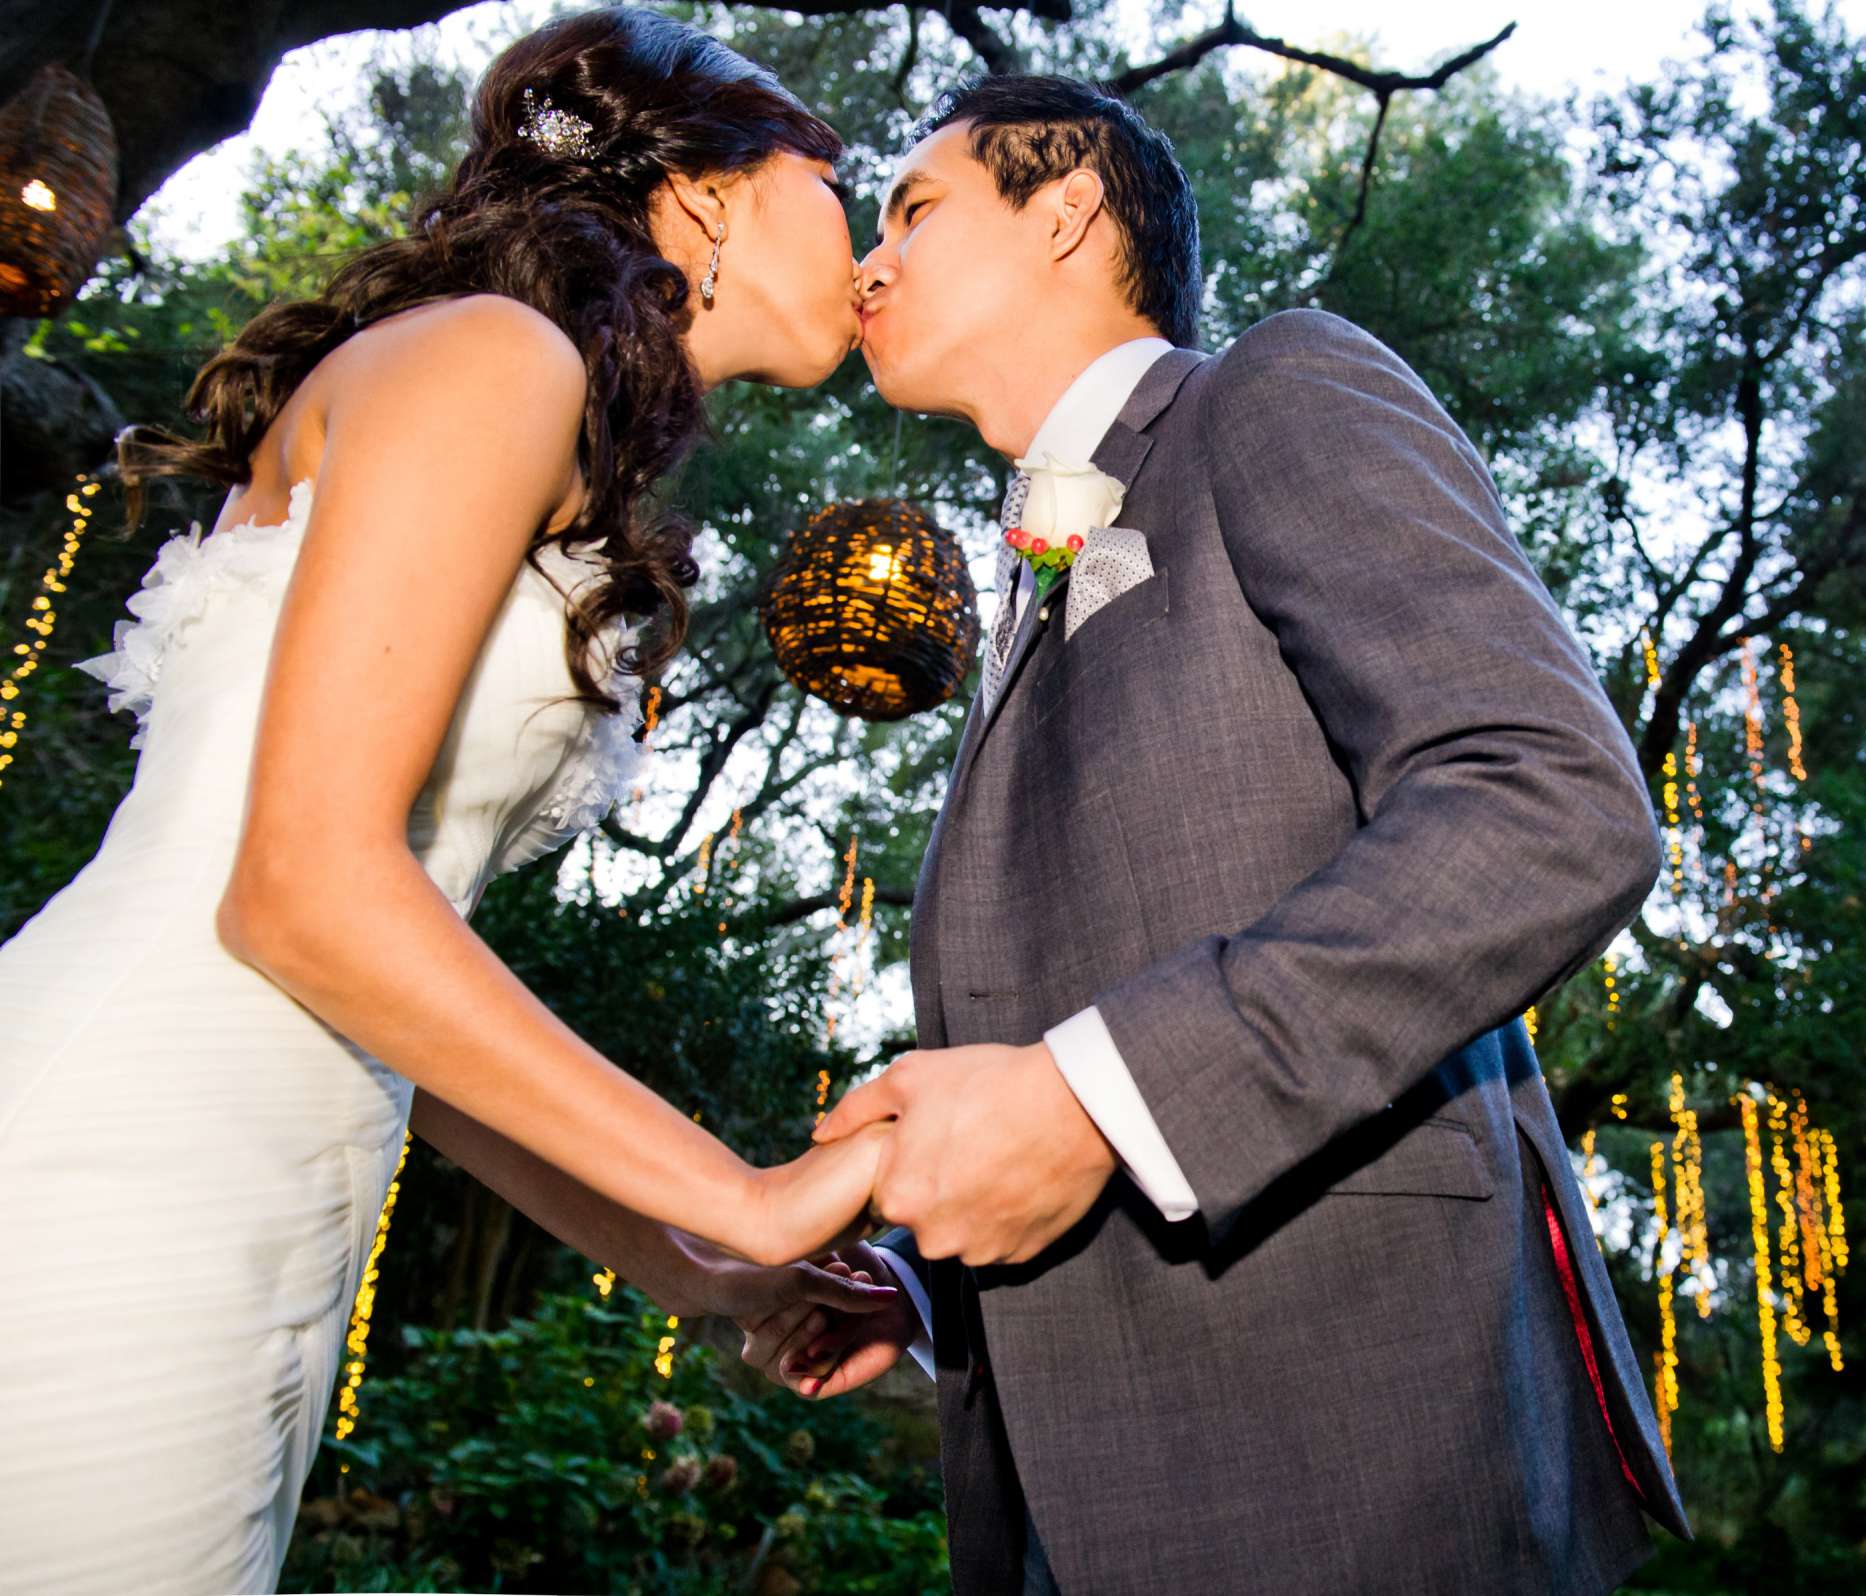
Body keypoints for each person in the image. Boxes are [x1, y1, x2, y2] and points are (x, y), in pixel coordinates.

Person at [740, 74, 1696, 1594]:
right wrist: (926, 1281)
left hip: (1348, 1444)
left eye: (914, 208)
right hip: (1078, 1488)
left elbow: (1545, 798)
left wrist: (1088, 1106)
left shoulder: (1273, 388)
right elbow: (1120, 970)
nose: (869, 259)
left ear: (1067, 211)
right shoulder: (1038, 572)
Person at [0, 10, 893, 1591]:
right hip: (119, 1182)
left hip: (272, 1211)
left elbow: (396, 991)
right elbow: (299, 895)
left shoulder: (546, 417)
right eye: (843, 182)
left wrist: (701, 1269)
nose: (872, 236)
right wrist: (751, 1194)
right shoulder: (495, 357)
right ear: (708, 198)